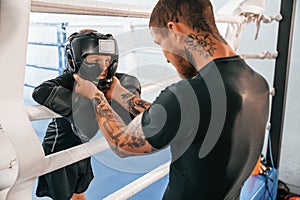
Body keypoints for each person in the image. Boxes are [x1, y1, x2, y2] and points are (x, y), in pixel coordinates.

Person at [74, 0, 270, 199]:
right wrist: (120, 94)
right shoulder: (257, 83)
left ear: (174, 30)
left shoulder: (189, 93)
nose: (167, 57)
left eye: (161, 43)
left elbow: (122, 144)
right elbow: (177, 117)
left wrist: (95, 96)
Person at [32, 29, 141, 200]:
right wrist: (81, 105)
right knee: (65, 196)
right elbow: (40, 91)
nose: (104, 67)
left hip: (82, 146)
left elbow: (127, 85)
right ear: (74, 60)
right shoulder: (71, 79)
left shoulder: (106, 81)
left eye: (107, 60)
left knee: (79, 191)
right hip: (59, 148)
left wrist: (124, 92)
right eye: (95, 60)